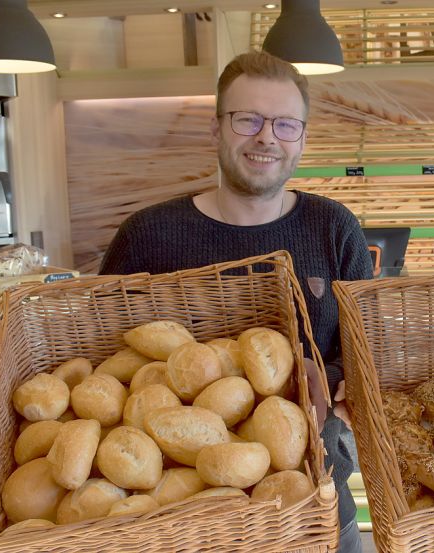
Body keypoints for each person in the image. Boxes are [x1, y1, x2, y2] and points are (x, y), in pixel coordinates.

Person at [99, 51, 372, 553]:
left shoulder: (334, 229)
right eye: (247, 119)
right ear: (216, 130)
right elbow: (103, 360)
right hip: (178, 522)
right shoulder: (147, 235)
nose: (266, 137)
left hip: (316, 506)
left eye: (285, 124)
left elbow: (369, 351)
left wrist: (330, 379)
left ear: (302, 139)